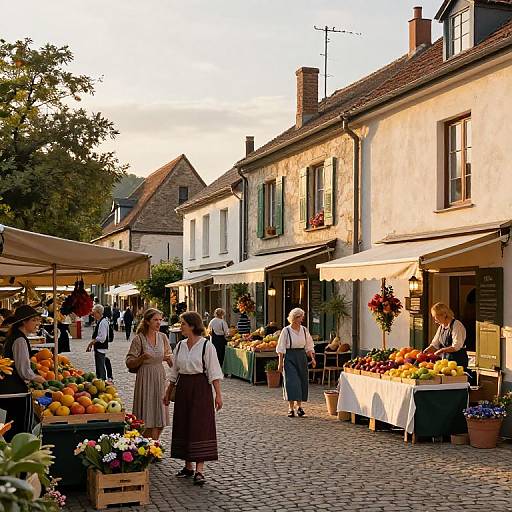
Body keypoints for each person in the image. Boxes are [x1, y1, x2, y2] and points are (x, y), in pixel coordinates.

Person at [164, 312, 223, 487]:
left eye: (183, 324)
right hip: (183, 388)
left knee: (200, 426)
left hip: (200, 388)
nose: (180, 326)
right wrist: (168, 392)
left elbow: (214, 372)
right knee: (183, 423)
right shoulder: (180, 345)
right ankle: (187, 466)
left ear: (192, 325)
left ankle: (199, 470)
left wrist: (218, 394)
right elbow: (174, 372)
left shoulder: (206, 346)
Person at [0, 305, 46, 441]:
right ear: (23, 322)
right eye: (34, 320)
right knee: (19, 433)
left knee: (8, 432)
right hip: (15, 393)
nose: (37, 323)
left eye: (38, 320)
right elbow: (24, 371)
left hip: (8, 391)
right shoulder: (19, 340)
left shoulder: (15, 337)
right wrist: (41, 379)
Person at [126, 308, 172, 440]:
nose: (158, 323)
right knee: (146, 412)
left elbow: (169, 356)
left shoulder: (163, 337)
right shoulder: (139, 339)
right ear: (147, 321)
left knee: (161, 412)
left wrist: (173, 364)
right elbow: (129, 362)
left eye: (160, 320)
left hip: (159, 376)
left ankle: (155, 443)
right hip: (145, 377)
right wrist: (141, 358)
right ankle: (145, 444)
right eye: (155, 320)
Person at [277, 308, 316, 418]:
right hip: (289, 357)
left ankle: (299, 407)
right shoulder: (286, 331)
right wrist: (280, 363)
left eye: (301, 317)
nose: (301, 319)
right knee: (291, 382)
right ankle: (290, 407)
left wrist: (312, 359)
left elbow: (309, 346)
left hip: (301, 357)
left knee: (301, 381)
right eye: (299, 317)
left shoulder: (304, 330)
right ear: (294, 318)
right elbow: (281, 348)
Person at [424, 302, 469, 369]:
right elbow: (435, 344)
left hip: (458, 362)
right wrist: (426, 351)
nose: (435, 320)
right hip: (446, 362)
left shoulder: (456, 325)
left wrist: (442, 350)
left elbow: (456, 346)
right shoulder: (441, 327)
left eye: (436, 317)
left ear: (444, 315)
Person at [86, 304, 112, 380]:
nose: (93, 316)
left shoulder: (103, 322)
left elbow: (102, 337)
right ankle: (101, 381)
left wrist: (93, 341)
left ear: (98, 313)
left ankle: (102, 382)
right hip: (99, 348)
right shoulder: (101, 321)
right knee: (99, 367)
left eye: (94, 314)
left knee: (100, 368)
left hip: (101, 347)